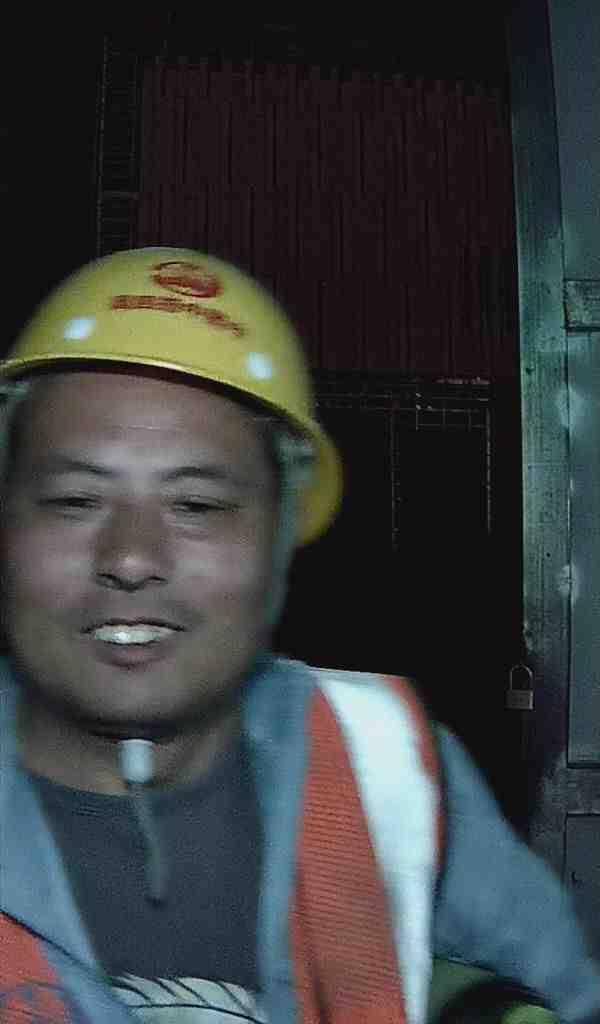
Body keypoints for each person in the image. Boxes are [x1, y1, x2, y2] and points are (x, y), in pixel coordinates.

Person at [0, 247, 598, 1024]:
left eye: (198, 505)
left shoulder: (383, 767)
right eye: (75, 500)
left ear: (281, 540)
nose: (132, 557)